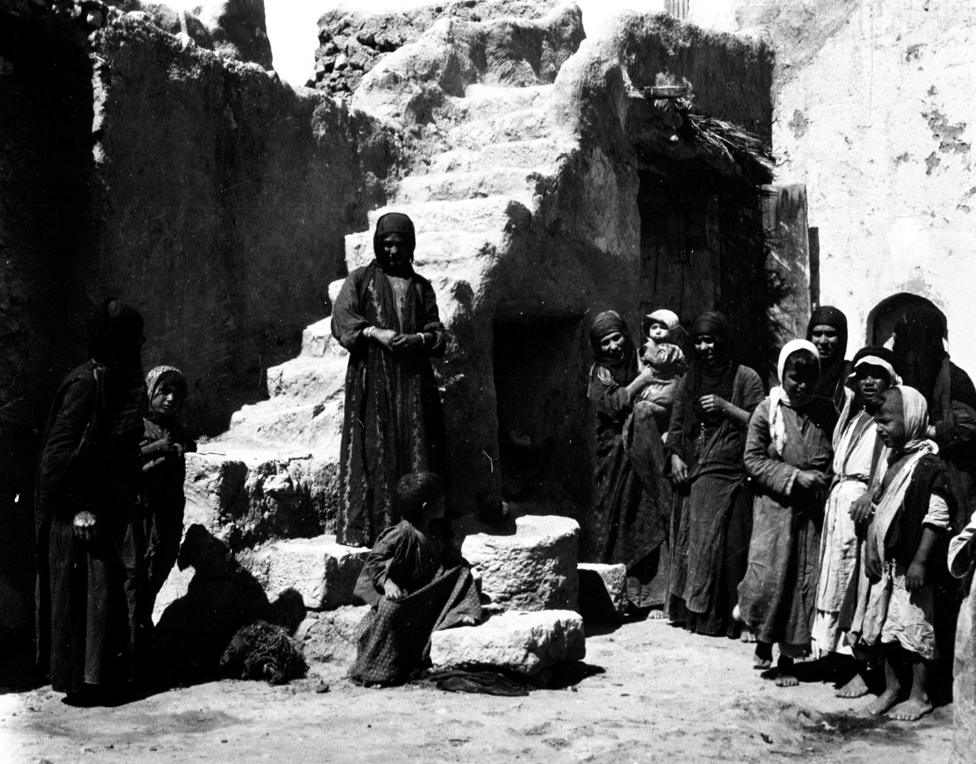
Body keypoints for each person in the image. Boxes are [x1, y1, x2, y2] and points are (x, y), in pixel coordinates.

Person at [35, 299, 148, 704]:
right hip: (76, 514)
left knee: (101, 592)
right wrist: (76, 507)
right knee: (83, 593)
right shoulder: (86, 383)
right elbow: (55, 458)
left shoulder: (111, 380)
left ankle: (99, 681)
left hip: (101, 507)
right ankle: (81, 685)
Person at [330, 212, 449, 547]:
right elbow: (342, 319)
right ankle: (374, 530)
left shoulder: (422, 287)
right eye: (386, 244)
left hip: (412, 381)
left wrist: (419, 340)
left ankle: (414, 530)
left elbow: (437, 333)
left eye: (398, 244)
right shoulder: (359, 280)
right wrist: (374, 332)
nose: (392, 251)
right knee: (374, 448)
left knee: (416, 446)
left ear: (409, 246)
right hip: (373, 378)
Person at [737, 340, 835, 685]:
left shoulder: (826, 411)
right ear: (783, 374)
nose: (802, 386)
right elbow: (752, 459)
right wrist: (794, 476)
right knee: (770, 578)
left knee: (799, 583)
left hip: (810, 514)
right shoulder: (768, 410)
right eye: (795, 378)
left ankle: (788, 660)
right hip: (775, 510)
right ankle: (764, 641)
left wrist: (823, 477)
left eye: (810, 379)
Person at [667, 311, 763, 636]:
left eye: (710, 340)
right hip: (696, 471)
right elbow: (677, 423)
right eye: (699, 341)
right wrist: (676, 457)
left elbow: (759, 421)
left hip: (735, 472)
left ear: (723, 341)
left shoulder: (745, 377)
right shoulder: (689, 379)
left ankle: (734, 620)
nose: (705, 347)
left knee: (732, 545)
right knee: (698, 544)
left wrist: (725, 406)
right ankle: (698, 615)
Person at [862, 386, 954, 721]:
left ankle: (920, 694)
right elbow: (878, 508)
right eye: (876, 421)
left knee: (916, 630)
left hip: (914, 570)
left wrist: (919, 562)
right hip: (890, 564)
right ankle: (892, 688)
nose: (879, 428)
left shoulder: (929, 467)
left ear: (912, 420)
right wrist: (872, 547)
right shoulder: (891, 460)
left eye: (886, 420)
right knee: (887, 629)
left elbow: (937, 518)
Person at [813, 348, 899, 688]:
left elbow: (892, 463)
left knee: (858, 586)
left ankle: (862, 668)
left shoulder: (891, 419)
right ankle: (835, 657)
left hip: (865, 509)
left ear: (890, 380)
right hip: (840, 507)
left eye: (876, 375)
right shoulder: (854, 414)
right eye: (862, 374)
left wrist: (871, 494)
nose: (868, 381)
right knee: (835, 578)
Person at [348, 471, 480, 686]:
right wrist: (388, 583)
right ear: (426, 507)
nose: (445, 502)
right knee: (390, 608)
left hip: (429, 593)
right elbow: (374, 562)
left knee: (462, 573)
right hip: (407, 597)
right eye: (441, 500)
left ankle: (459, 612)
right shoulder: (401, 534)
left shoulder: (438, 529)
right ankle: (377, 670)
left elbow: (451, 558)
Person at [585, 310, 671, 613]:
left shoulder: (640, 358)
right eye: (605, 342)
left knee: (647, 517)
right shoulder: (599, 373)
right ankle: (617, 598)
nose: (613, 347)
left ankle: (650, 598)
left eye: (617, 337)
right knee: (617, 520)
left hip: (645, 453)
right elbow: (612, 404)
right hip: (613, 458)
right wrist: (642, 381)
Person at [140, 365, 196, 615]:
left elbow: (188, 444)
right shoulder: (136, 425)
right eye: (164, 392)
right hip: (142, 512)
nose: (171, 399)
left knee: (160, 565)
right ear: (150, 391)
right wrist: (157, 449)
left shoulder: (175, 427)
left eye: (177, 394)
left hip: (168, 512)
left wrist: (181, 447)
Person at [636, 308, 688, 432]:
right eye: (654, 327)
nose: (658, 331)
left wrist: (649, 349)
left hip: (666, 397)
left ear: (672, 331)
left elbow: (660, 360)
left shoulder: (671, 349)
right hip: (653, 393)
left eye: (663, 327)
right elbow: (641, 370)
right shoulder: (648, 350)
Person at [807, 305, 851, 413]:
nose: (823, 341)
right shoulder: (801, 372)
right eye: (817, 334)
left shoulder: (850, 374)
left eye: (830, 334)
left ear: (841, 338)